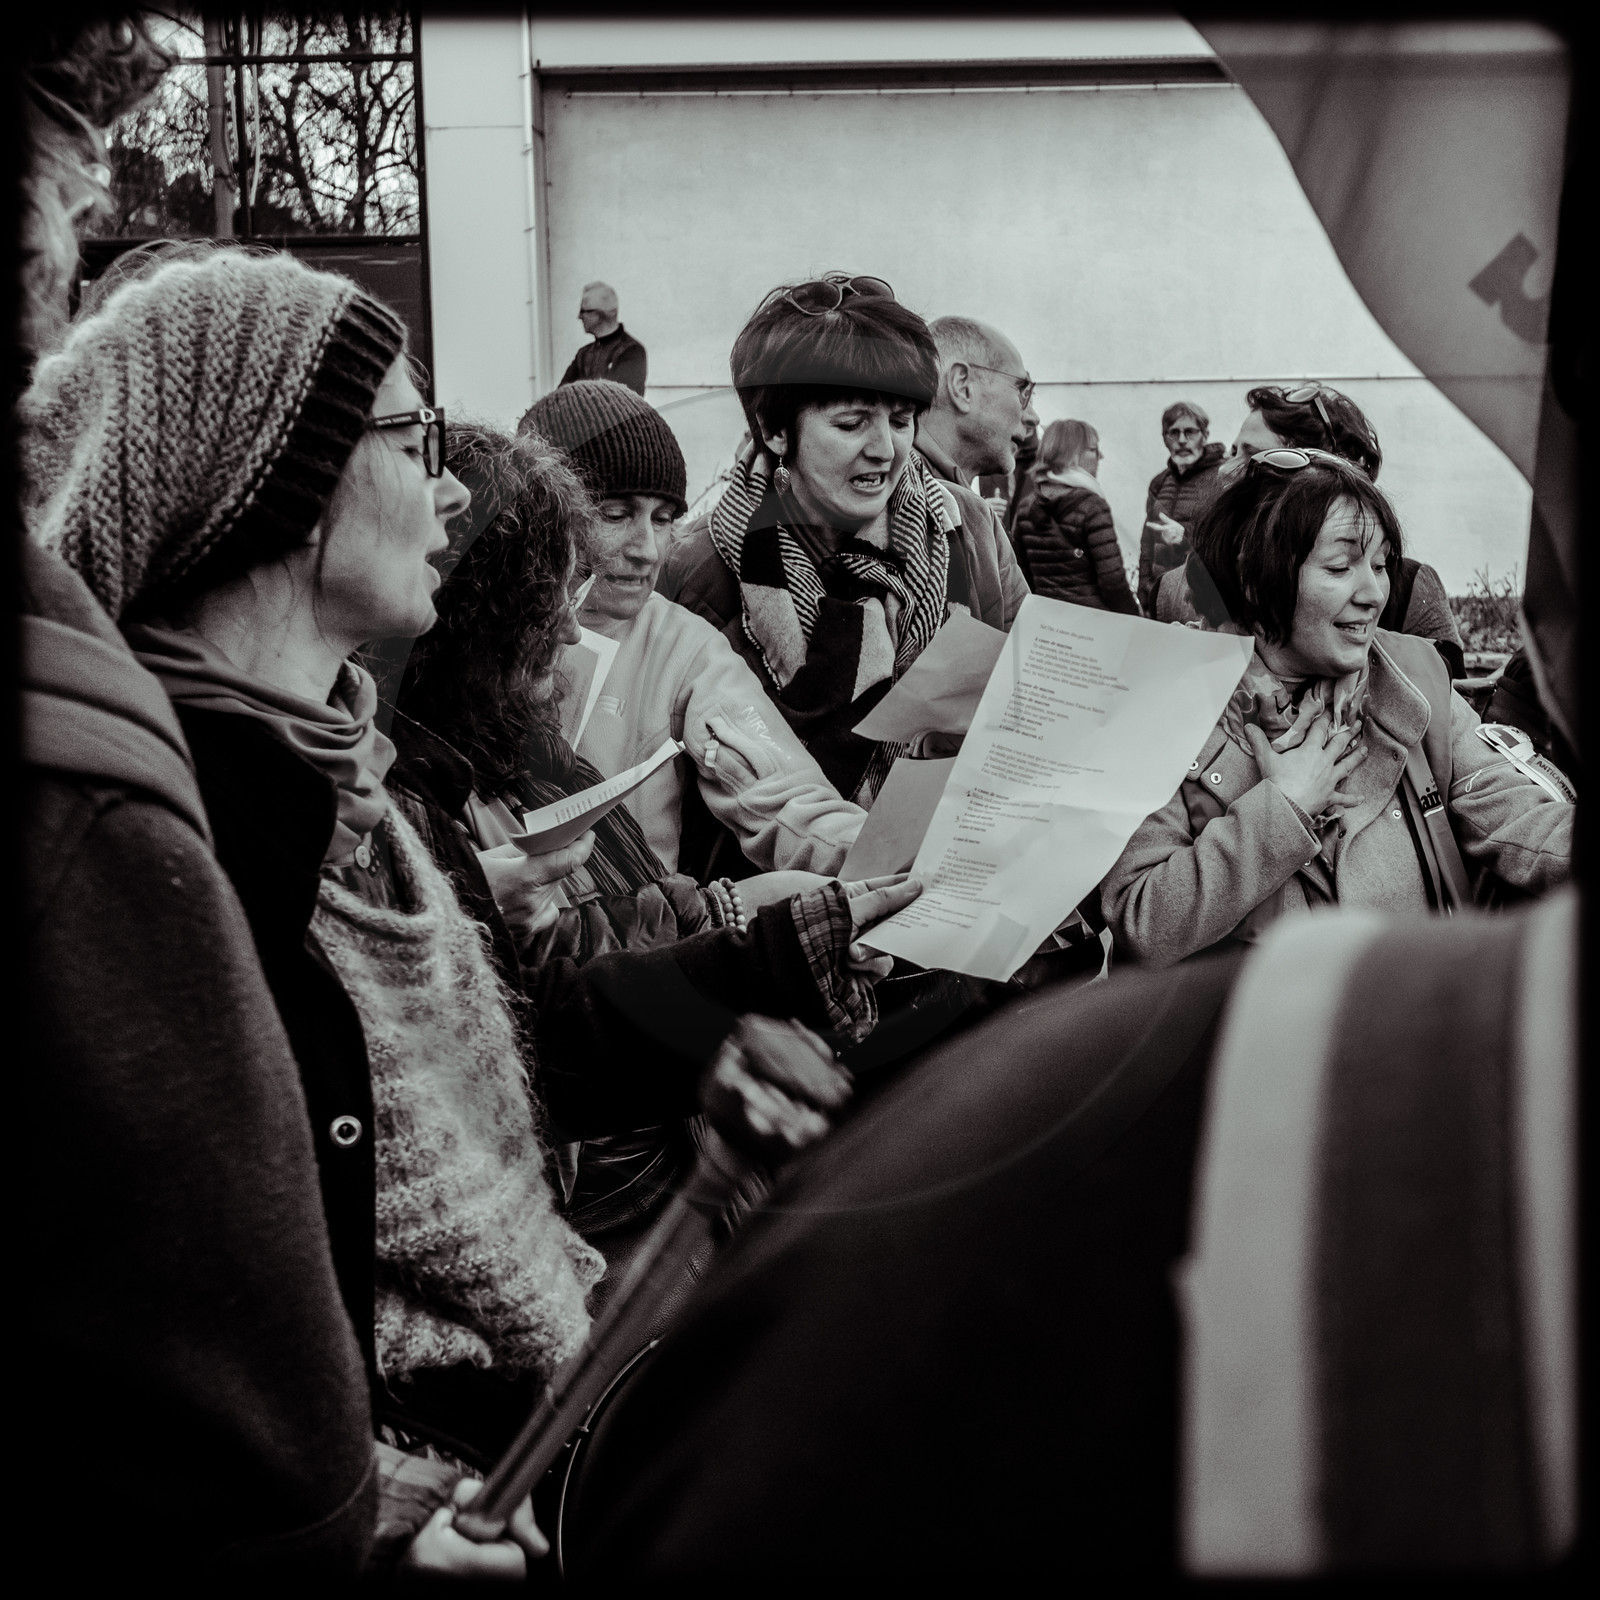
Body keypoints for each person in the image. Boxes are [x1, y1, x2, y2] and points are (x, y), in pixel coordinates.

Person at [30, 247, 919, 1478]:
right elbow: (143, 1349)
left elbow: (519, 1042)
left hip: (532, 1395)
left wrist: (795, 935)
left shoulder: (356, 787)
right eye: (413, 438)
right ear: (278, 483)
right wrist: (388, 1512)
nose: (452, 495)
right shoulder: (166, 855)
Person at [1102, 449, 1570, 968]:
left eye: (1380, 564)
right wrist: (1283, 808)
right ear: (1256, 581)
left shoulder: (1412, 679)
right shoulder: (1161, 707)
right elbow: (1142, 922)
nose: (1373, 593)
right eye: (1341, 566)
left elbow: (1518, 818)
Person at [660, 274, 1029, 807]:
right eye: (853, 423)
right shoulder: (699, 568)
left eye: (901, 420)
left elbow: (1028, 700)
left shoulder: (966, 527)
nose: (885, 448)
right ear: (775, 430)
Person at [517, 379, 866, 879]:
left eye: (662, 519)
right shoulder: (469, 633)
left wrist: (875, 855)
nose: (649, 549)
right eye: (614, 515)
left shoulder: (682, 645)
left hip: (641, 945)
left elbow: (779, 791)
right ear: (542, 514)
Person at [1161, 383, 1467, 677]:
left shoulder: (1410, 588)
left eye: (1254, 456)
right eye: (1234, 451)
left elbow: (1445, 703)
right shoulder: (1179, 589)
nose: (1226, 469)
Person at [1009, 418, 1138, 612]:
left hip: (1047, 623)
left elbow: (1021, 577)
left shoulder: (1026, 506)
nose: (1100, 456)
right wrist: (1135, 619)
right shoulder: (1092, 506)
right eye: (1093, 449)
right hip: (1090, 625)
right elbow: (1113, 582)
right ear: (1072, 455)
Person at [917, 314, 1042, 489]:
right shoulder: (903, 501)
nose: (1033, 418)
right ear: (962, 386)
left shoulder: (915, 491)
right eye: (1021, 390)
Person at [1140, 401, 1224, 614]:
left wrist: (1184, 541)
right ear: (1164, 439)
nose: (1182, 440)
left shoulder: (1221, 479)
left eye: (1190, 432)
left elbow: (1225, 548)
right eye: (1173, 433)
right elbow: (1147, 543)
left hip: (1201, 601)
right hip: (1160, 595)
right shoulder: (1159, 482)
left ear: (1205, 435)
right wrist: (1145, 591)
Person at [560, 280, 647, 395]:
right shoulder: (583, 354)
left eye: (583, 311)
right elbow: (561, 395)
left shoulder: (632, 351)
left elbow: (619, 403)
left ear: (599, 314)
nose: (579, 317)